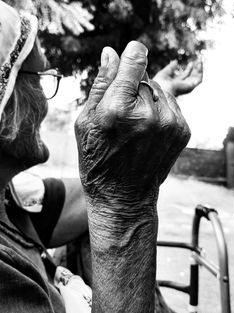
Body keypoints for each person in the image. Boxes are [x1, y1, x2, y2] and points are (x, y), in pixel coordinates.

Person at [0, 1, 202, 312]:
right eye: (37, 77)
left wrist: (157, 93)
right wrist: (125, 209)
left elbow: (94, 190)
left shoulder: (10, 197)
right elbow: (107, 193)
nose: (44, 101)